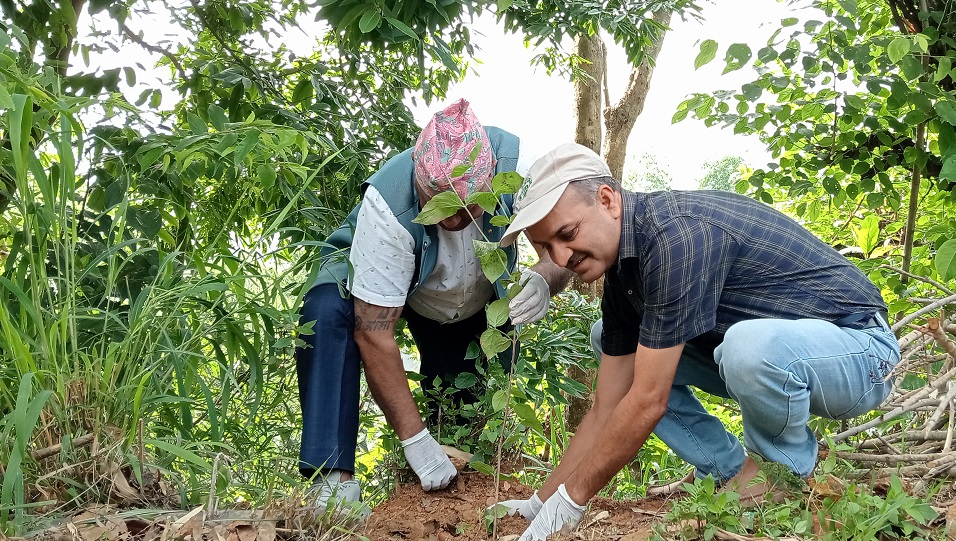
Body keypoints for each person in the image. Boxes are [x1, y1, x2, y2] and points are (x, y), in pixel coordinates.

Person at [494, 143, 901, 540]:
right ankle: (733, 472)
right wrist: (542, 501)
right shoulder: (623, 274)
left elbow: (647, 401)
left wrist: (572, 502)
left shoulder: (677, 238)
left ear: (607, 200)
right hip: (774, 362)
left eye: (567, 234)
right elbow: (608, 405)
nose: (561, 257)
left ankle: (783, 478)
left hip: (861, 351)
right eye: (546, 246)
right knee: (615, 342)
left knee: (747, 347)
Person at [295, 100, 572, 514]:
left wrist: (544, 277)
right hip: (389, 286)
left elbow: (566, 246)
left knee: (461, 411)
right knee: (327, 310)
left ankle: (456, 485)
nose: (454, 221)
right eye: (438, 207)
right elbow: (373, 333)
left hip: (472, 300)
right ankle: (332, 485)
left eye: (466, 210)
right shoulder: (388, 205)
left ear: (489, 180)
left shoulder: (521, 173)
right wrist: (413, 439)